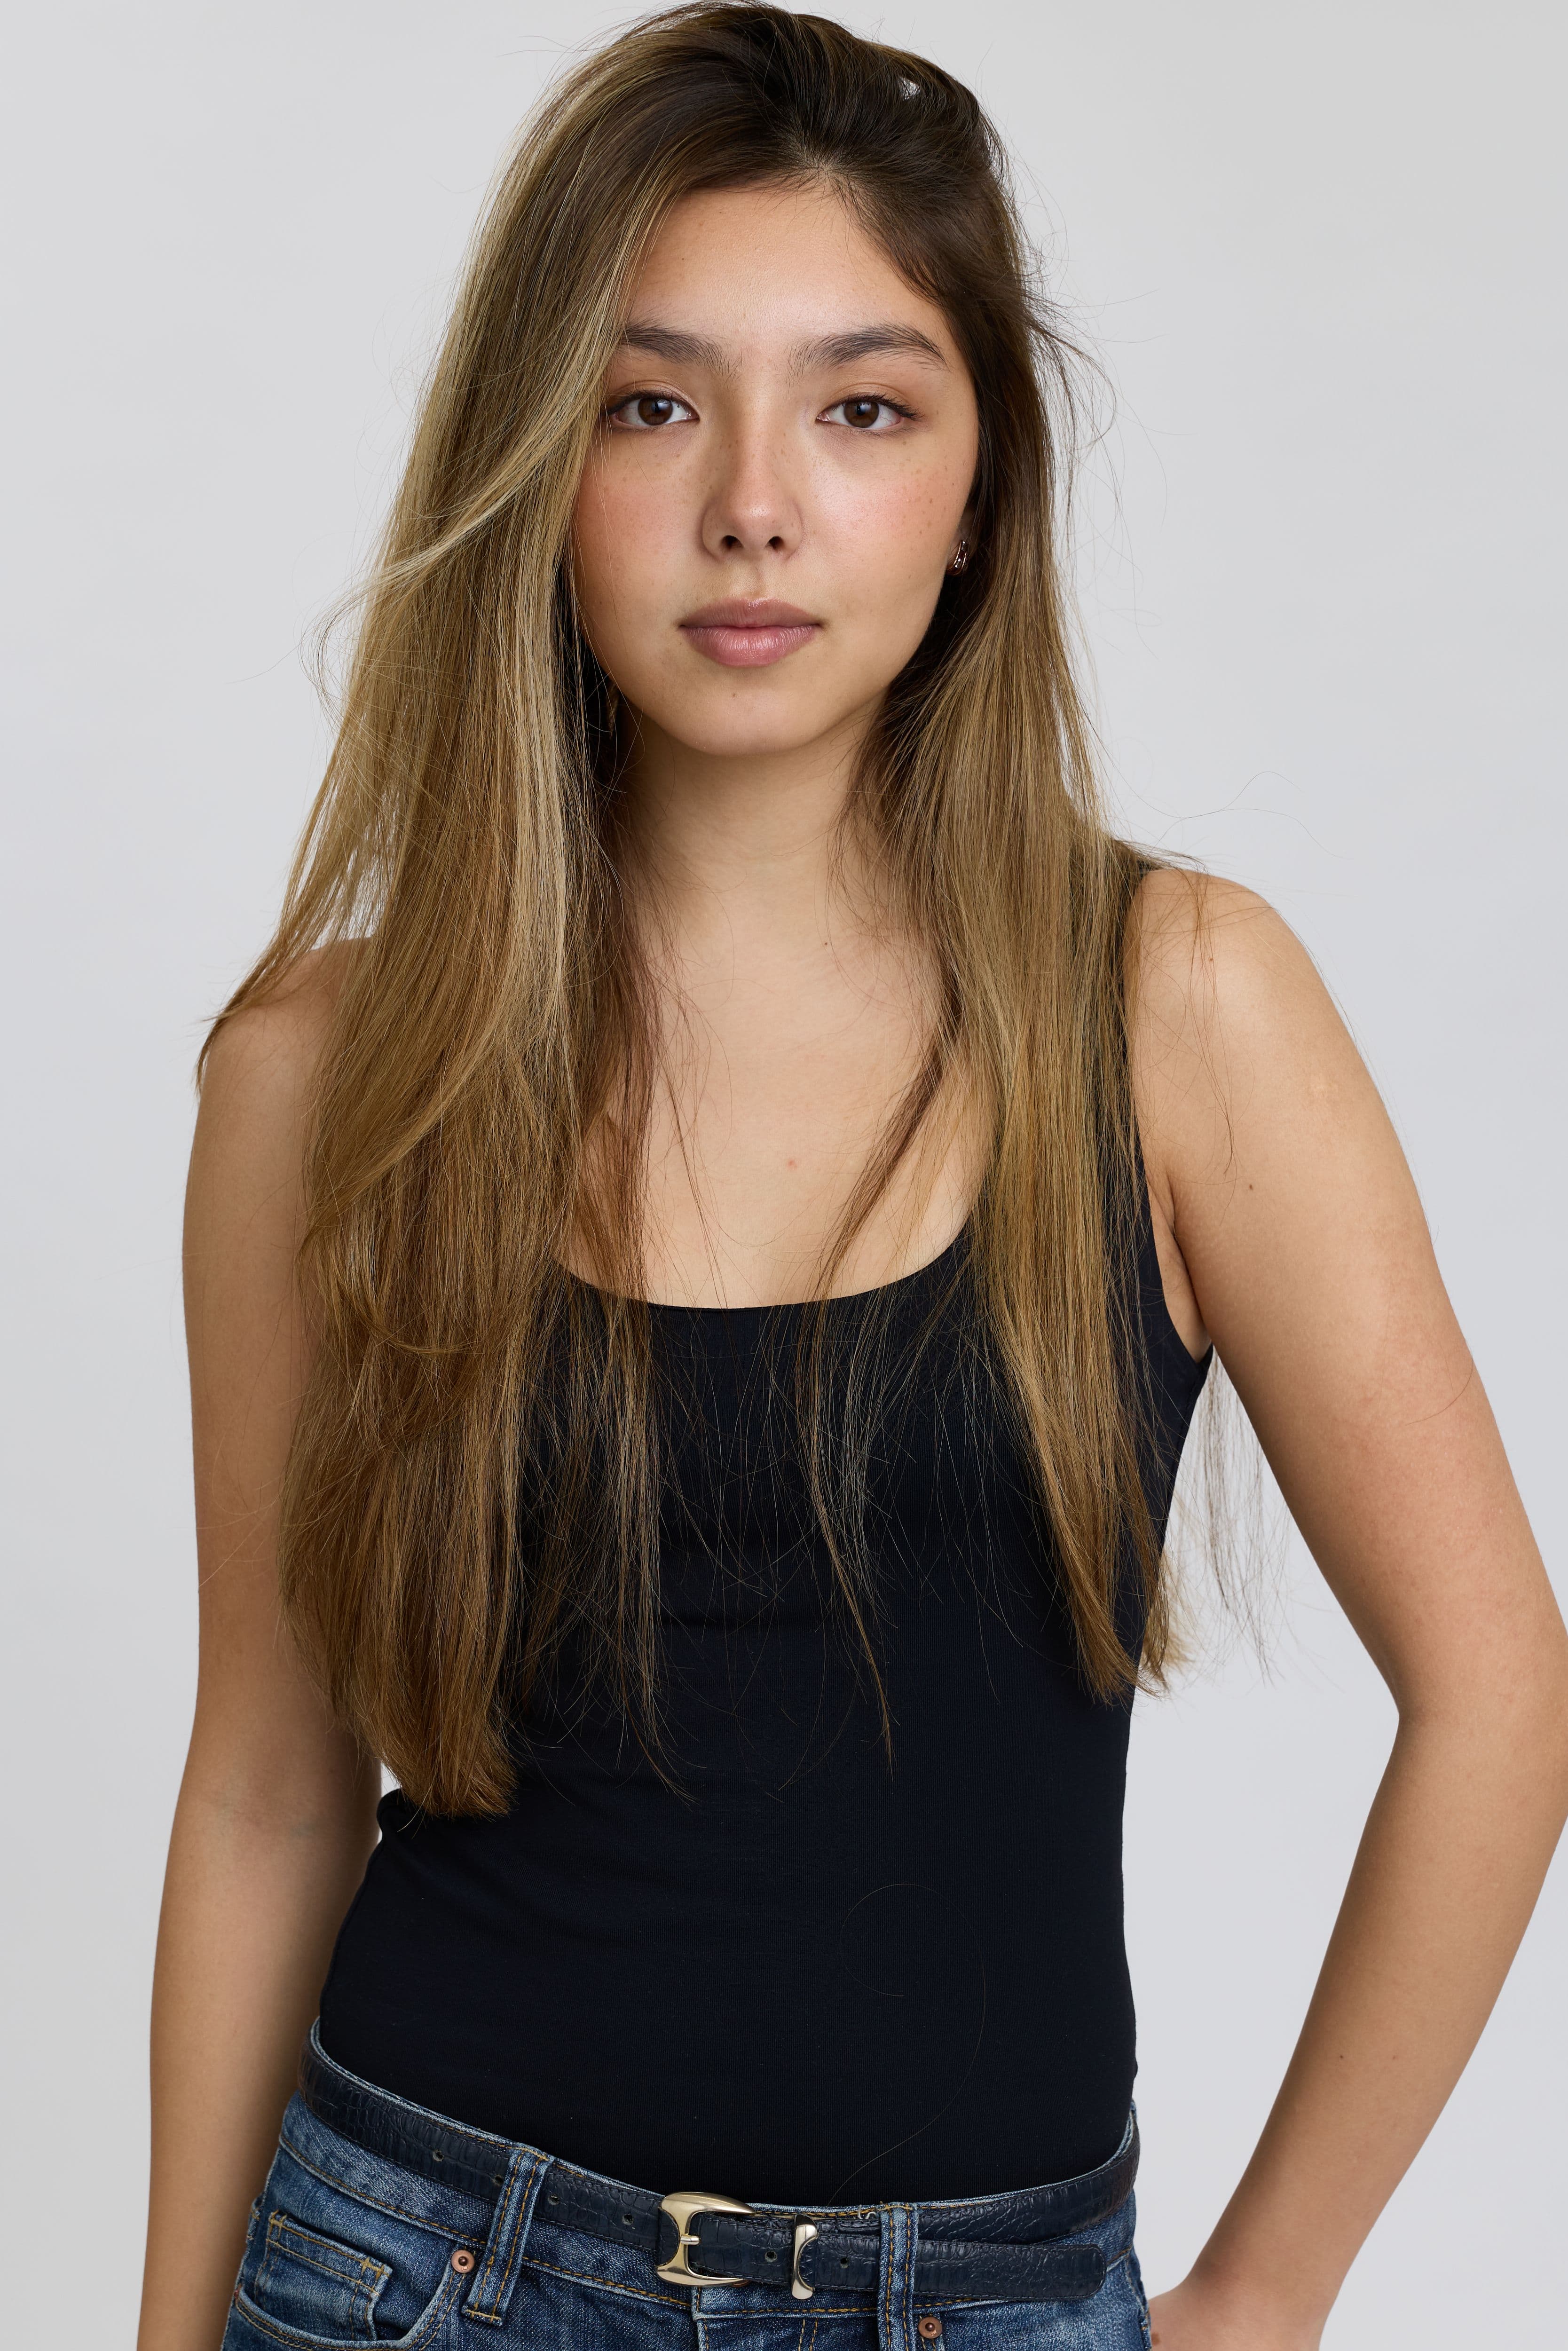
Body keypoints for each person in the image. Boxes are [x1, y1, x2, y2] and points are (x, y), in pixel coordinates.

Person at [137, 8, 1568, 2349]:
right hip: (414, 2263)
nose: (755, 505)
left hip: (980, 2298)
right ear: (536, 461)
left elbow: (1502, 1689)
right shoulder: (326, 1073)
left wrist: (1271, 2286)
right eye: (652, 404)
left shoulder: (1181, 1007)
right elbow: (271, 1787)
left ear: (984, 483)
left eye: (865, 407)